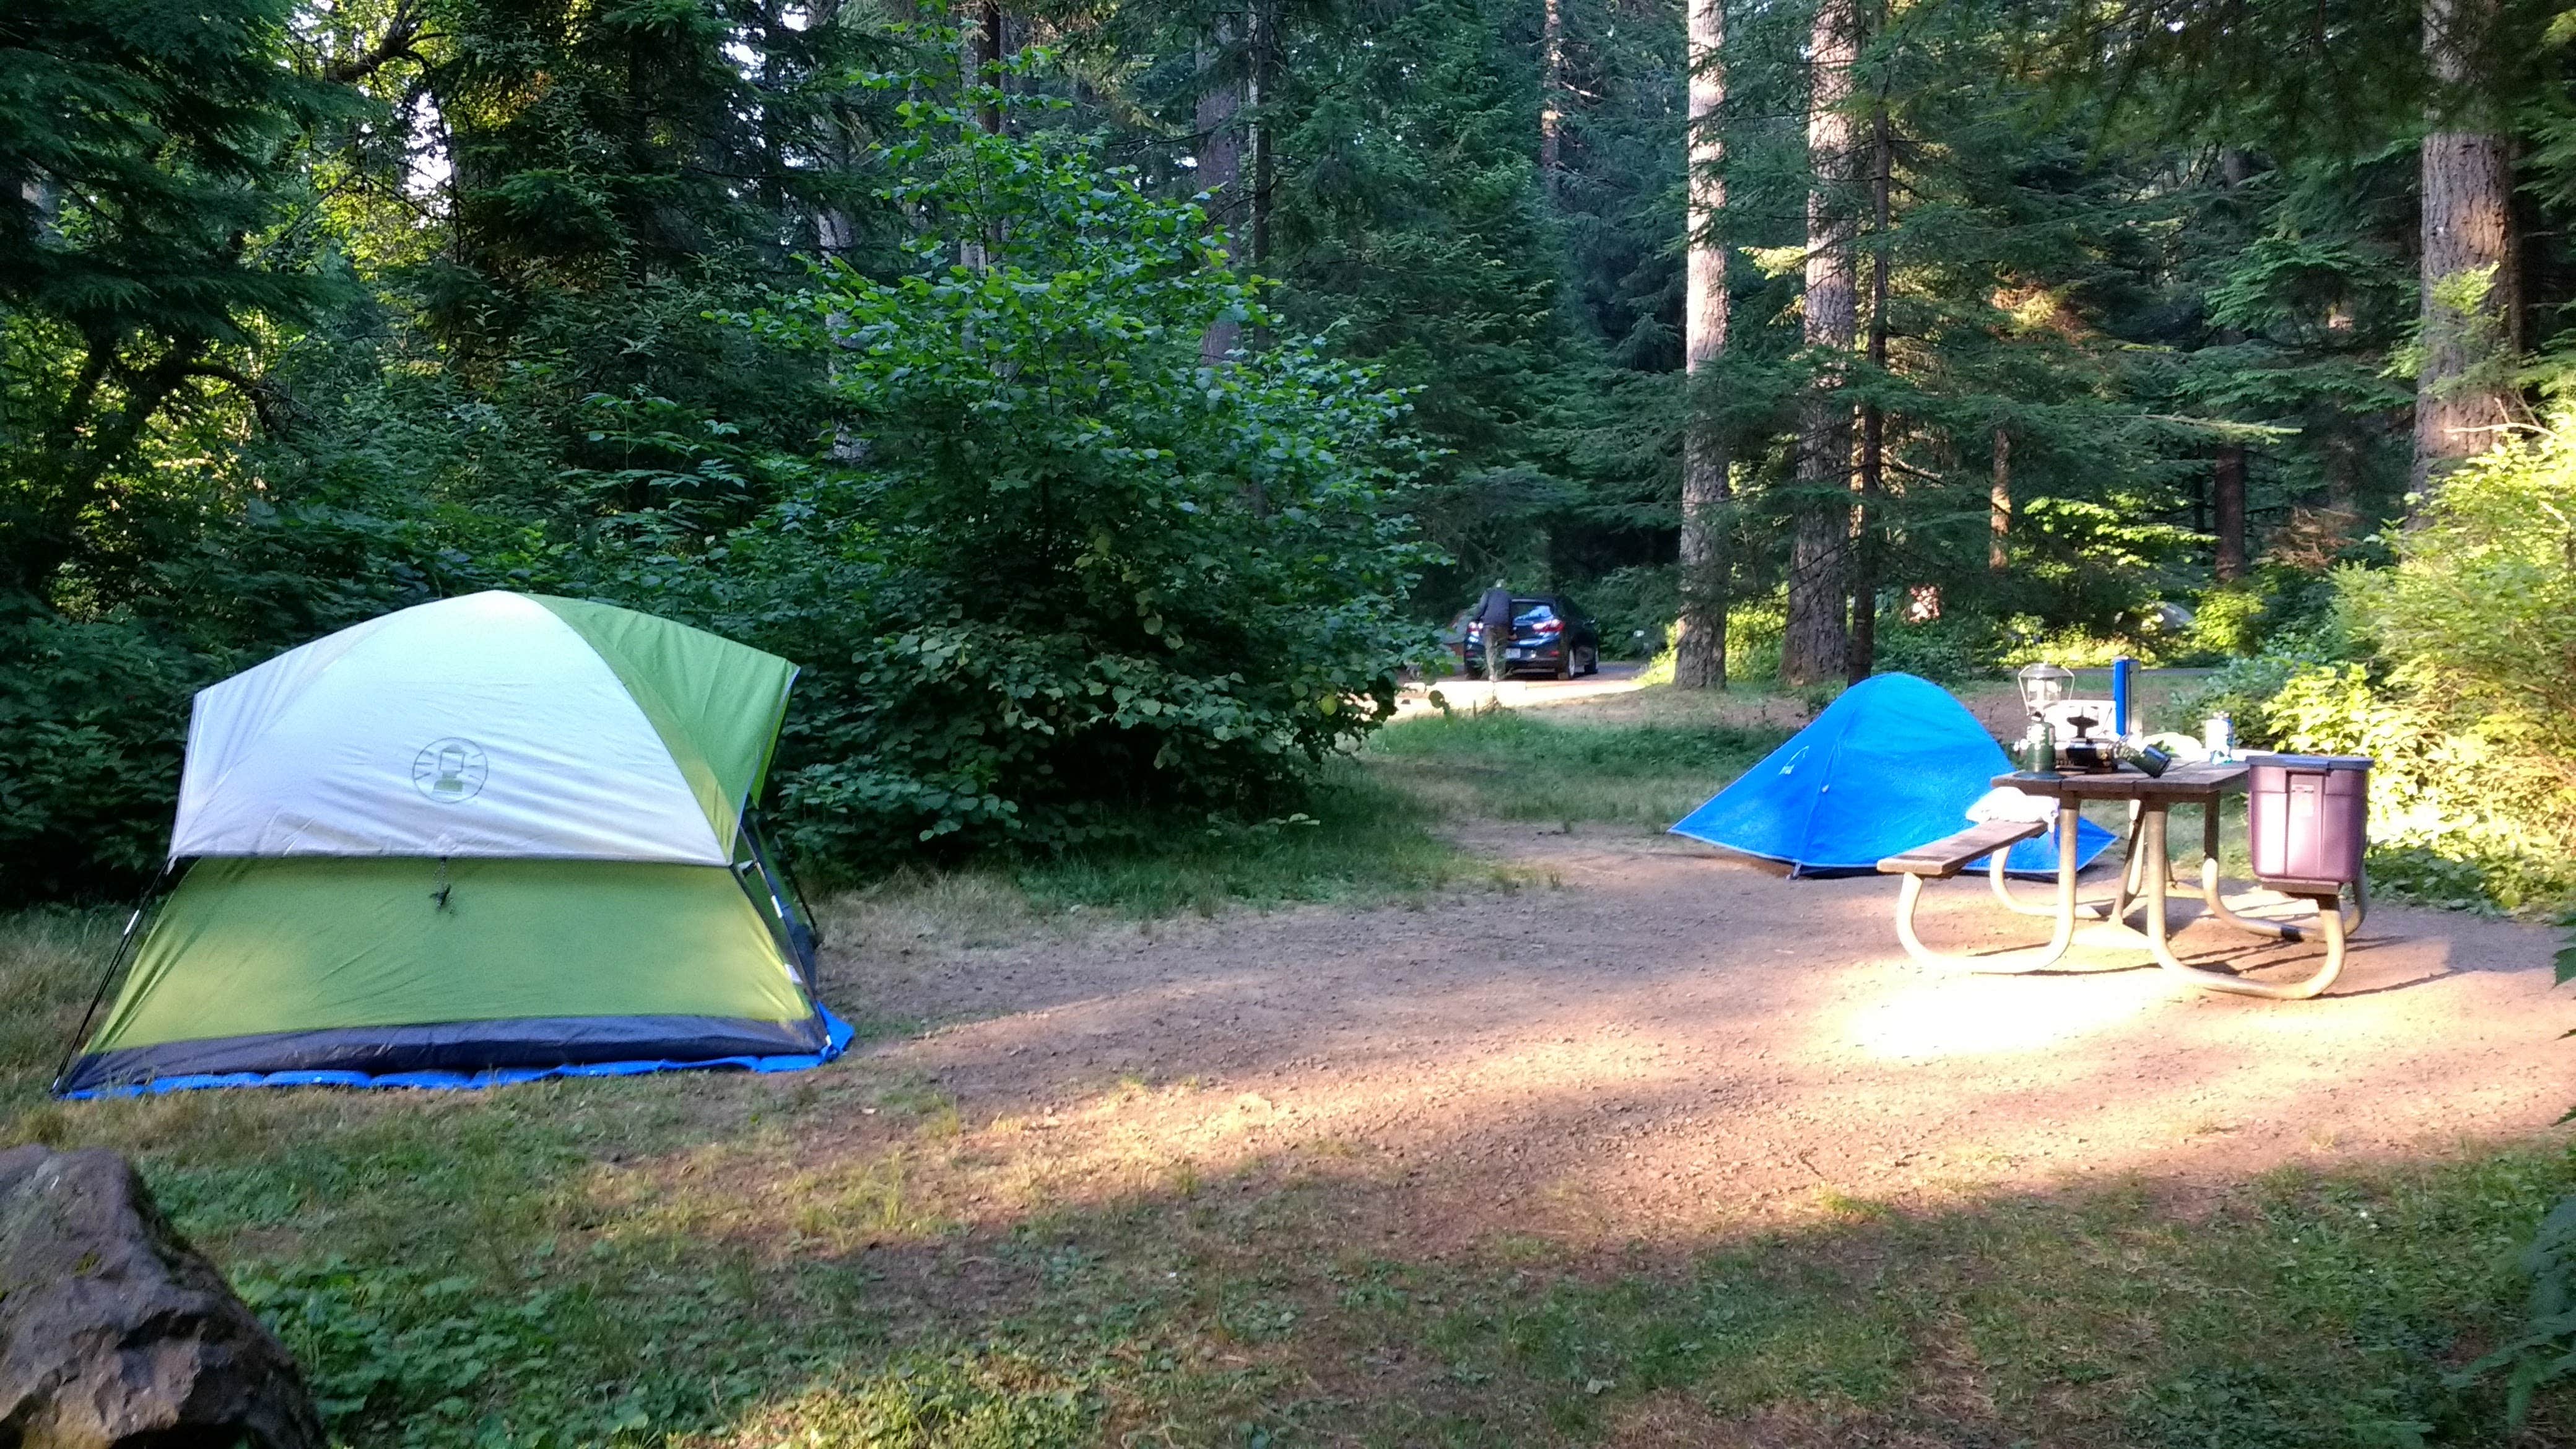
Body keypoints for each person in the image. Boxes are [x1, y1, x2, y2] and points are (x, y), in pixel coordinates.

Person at [1476, 582, 1515, 684]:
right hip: (1503, 624)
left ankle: (1492, 675)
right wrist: (1511, 632)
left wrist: (1475, 620)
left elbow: (1482, 608)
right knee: (1502, 649)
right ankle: (1500, 674)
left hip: (1489, 624)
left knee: (1490, 649)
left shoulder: (1488, 593)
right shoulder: (1507, 595)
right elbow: (1511, 615)